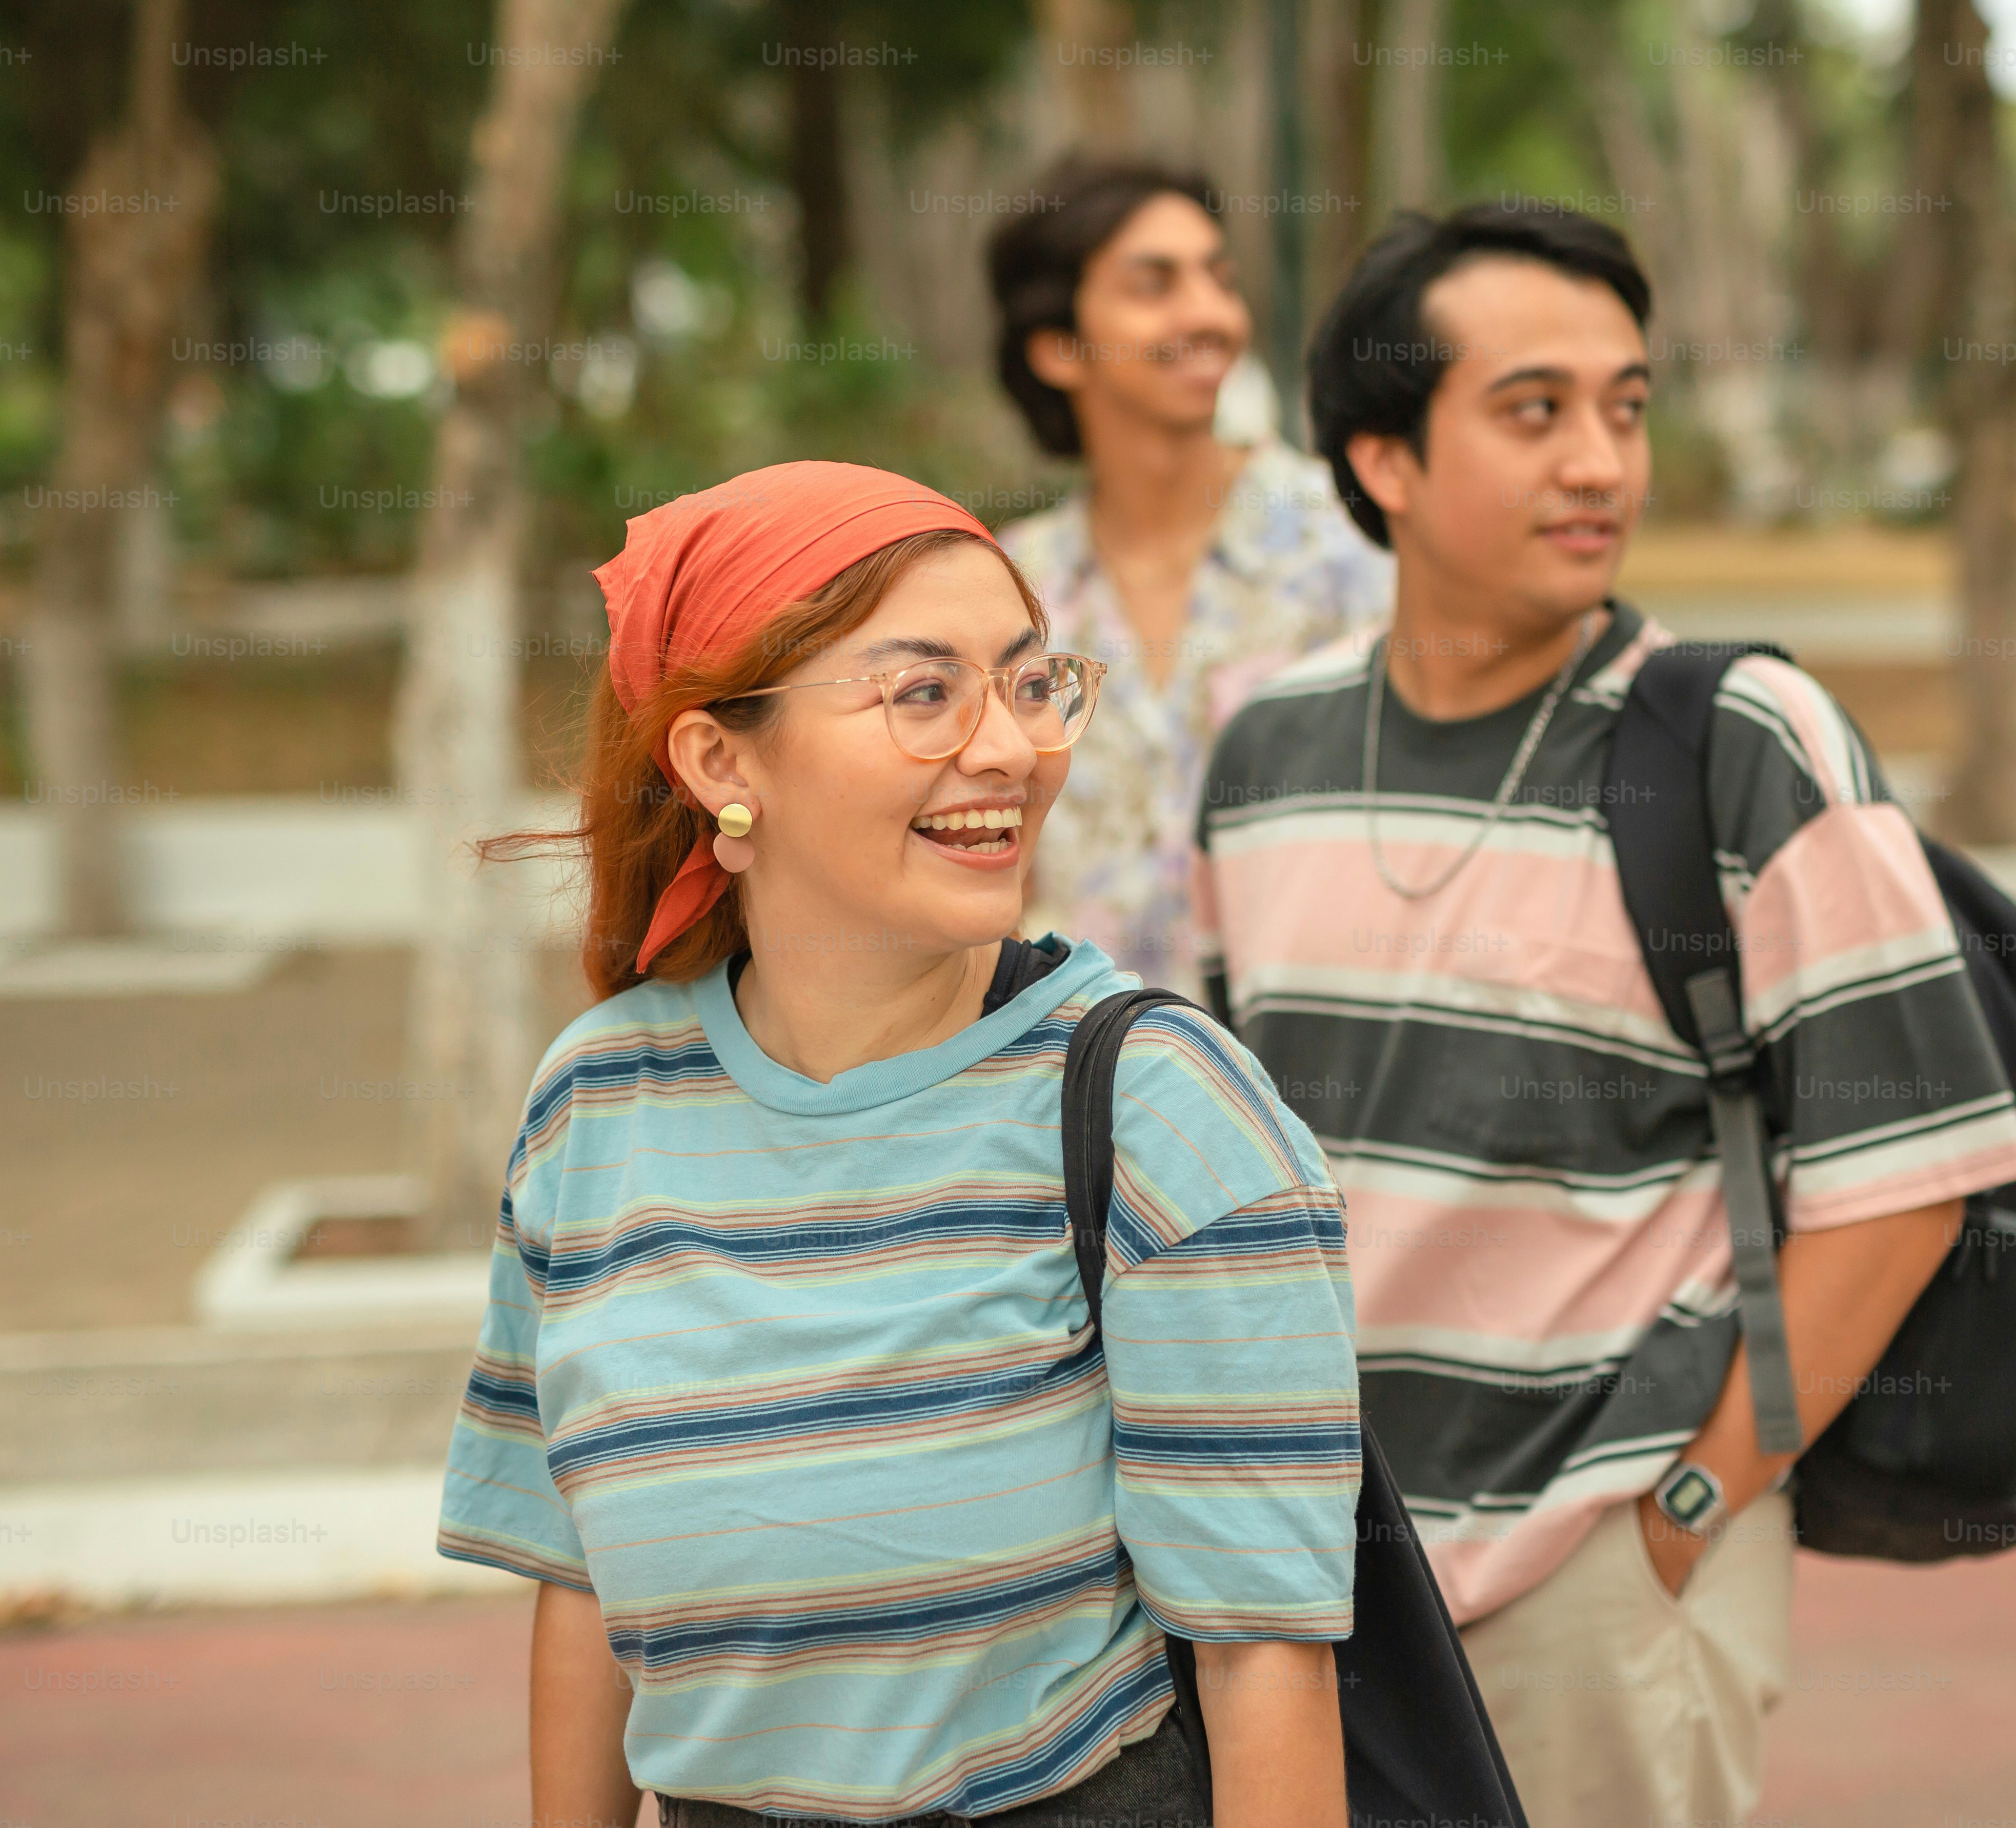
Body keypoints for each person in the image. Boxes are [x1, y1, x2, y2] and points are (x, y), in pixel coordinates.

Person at [1192, 207, 2016, 1828]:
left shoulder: (1743, 740)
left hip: (1599, 1561)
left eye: (1627, 408)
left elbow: (1910, 1179)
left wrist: (1696, 1501)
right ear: (1383, 460)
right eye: (1535, 412)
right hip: (1309, 1583)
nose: (1602, 462)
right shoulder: (1264, 753)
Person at [434, 461, 1361, 1828]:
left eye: (1029, 682)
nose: (1009, 749)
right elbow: (582, 1586)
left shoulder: (1161, 1111)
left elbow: (1264, 1656)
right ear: (719, 763)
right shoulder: (596, 1105)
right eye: (924, 693)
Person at [987, 156, 1392, 996]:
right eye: (1154, 284)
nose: (1209, 313)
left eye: (1221, 278)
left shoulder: (1352, 543)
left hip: (1307, 1090)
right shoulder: (1007, 589)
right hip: (1069, 1087)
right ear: (1059, 348)